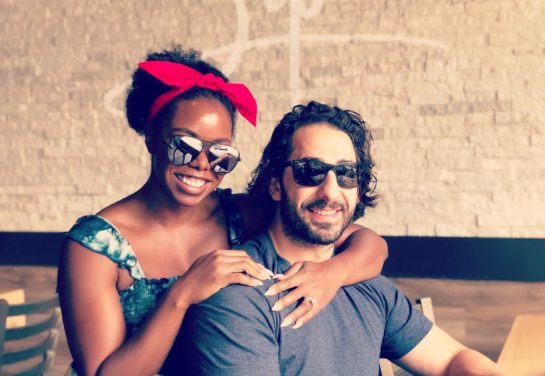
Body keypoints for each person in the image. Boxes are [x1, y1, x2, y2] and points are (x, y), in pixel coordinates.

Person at [57, 48, 388, 375]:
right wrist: (181, 295)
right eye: (184, 146)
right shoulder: (96, 247)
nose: (203, 164)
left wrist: (333, 274)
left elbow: (369, 244)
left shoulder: (240, 215)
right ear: (152, 138)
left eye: (220, 153)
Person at [178, 101, 505, 375]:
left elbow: (451, 359)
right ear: (276, 185)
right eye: (311, 171)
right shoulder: (238, 295)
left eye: (346, 174)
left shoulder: (364, 283)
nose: (330, 192)